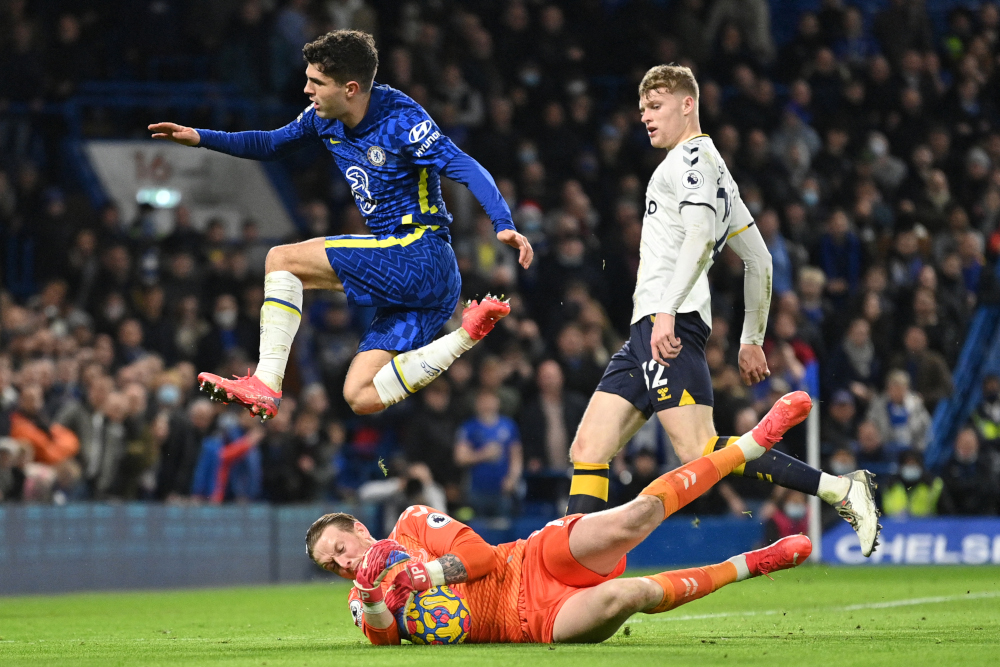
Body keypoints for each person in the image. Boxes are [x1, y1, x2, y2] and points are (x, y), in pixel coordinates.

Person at [563, 64, 881, 556]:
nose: (645, 116)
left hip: (667, 324)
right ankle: (572, 571)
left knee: (698, 450)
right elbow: (759, 259)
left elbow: (699, 235)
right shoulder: (713, 169)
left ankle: (841, 490)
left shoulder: (690, 161)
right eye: (643, 107)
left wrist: (667, 311)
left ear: (688, 104)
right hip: (646, 331)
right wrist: (751, 338)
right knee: (589, 450)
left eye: (656, 105)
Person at [148, 30, 533, 420]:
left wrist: (502, 222)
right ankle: (467, 334)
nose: (306, 89)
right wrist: (201, 137)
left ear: (350, 88)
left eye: (316, 82)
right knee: (361, 395)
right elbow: (270, 144)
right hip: (423, 279)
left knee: (282, 260)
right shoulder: (322, 118)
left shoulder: (402, 121)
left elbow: (464, 165)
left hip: (420, 253)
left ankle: (266, 383)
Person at [307, 392, 814, 645]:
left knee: (634, 516)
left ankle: (748, 444)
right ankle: (753, 563)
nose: (343, 564)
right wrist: (375, 596)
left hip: (530, 562)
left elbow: (479, 557)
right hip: (532, 623)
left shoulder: (413, 523)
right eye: (332, 566)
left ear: (357, 527)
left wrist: (425, 574)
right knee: (628, 594)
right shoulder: (362, 601)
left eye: (338, 549)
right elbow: (384, 640)